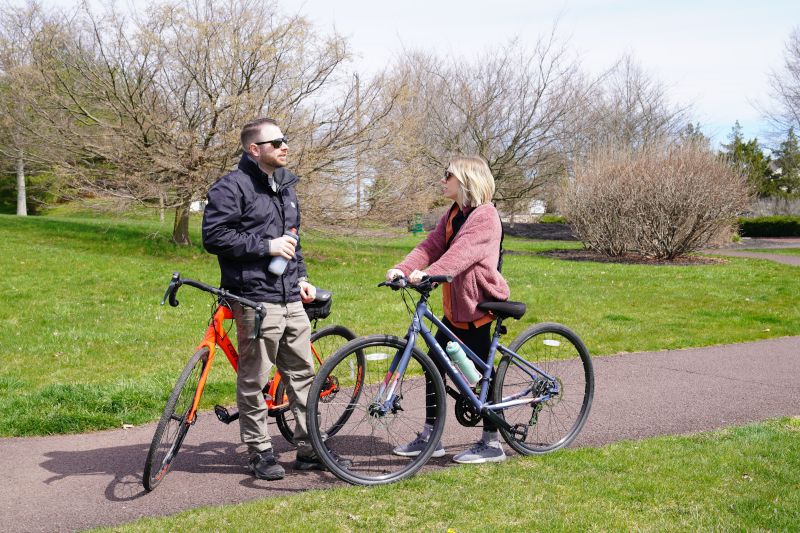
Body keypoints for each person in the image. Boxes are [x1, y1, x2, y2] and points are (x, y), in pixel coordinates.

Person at [202, 117, 335, 480]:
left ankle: (311, 450)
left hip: (290, 296)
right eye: (276, 142)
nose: (284, 146)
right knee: (254, 379)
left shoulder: (286, 187)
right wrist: (266, 246)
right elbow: (214, 237)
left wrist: (303, 277)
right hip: (254, 297)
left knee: (303, 375)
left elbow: (294, 240)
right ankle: (260, 452)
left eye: (285, 140)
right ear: (254, 149)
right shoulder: (232, 187)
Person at [386, 155, 510, 464]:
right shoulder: (454, 213)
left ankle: (492, 442)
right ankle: (432, 436)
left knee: (482, 373)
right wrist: (403, 269)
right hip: (455, 307)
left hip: (478, 304)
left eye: (448, 176)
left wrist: (428, 274)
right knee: (434, 363)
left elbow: (460, 255)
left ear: (466, 180)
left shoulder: (485, 216)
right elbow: (430, 246)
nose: (443, 181)